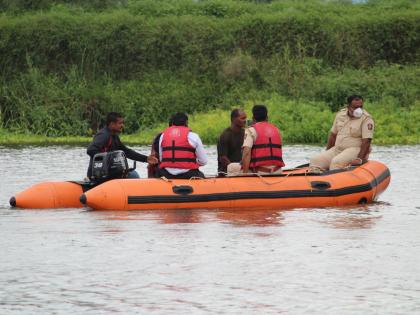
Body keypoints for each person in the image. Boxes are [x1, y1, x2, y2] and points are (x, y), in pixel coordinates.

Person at [309, 95, 374, 172]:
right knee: (315, 160)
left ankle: (337, 181)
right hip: (338, 149)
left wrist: (359, 159)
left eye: (360, 107)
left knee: (336, 162)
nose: (358, 110)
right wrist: (328, 151)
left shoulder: (366, 118)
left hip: (355, 149)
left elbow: (367, 141)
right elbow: (333, 135)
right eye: (355, 107)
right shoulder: (340, 115)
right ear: (348, 106)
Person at [86, 112, 158, 179]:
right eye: (120, 123)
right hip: (99, 175)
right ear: (112, 124)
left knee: (133, 173)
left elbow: (126, 152)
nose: (122, 126)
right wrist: (108, 158)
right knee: (134, 175)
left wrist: (146, 159)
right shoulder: (104, 135)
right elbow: (90, 150)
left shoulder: (114, 136)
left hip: (109, 173)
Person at [227, 104, 285, 175]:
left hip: (261, 172)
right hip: (277, 171)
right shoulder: (276, 130)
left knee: (231, 167)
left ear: (253, 118)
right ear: (267, 118)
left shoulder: (251, 130)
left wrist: (245, 175)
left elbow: (246, 153)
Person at [156, 112, 207, 179]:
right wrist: (192, 162)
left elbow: (161, 159)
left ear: (172, 123)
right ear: (186, 122)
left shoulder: (163, 136)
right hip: (188, 174)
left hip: (166, 174)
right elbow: (203, 161)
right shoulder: (193, 136)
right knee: (201, 175)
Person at [217, 109, 247, 176]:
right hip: (226, 172)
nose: (245, 120)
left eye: (245, 118)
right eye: (242, 118)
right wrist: (236, 169)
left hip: (241, 170)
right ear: (234, 119)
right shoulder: (225, 135)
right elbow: (223, 158)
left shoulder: (245, 133)